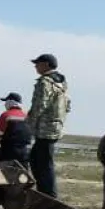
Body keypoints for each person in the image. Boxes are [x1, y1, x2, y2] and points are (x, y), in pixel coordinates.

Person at [26, 53, 70, 198]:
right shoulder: (61, 82)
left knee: (43, 162)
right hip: (55, 127)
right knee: (37, 159)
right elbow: (67, 105)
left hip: (45, 128)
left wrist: (28, 125)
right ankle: (44, 192)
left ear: (46, 64)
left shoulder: (45, 82)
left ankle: (49, 195)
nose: (35, 66)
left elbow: (40, 105)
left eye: (38, 63)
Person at [0, 92, 32, 167]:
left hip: (8, 151)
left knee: (1, 173)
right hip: (24, 151)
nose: (5, 104)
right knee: (23, 174)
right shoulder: (27, 116)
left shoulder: (6, 115)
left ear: (10, 102)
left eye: (6, 101)